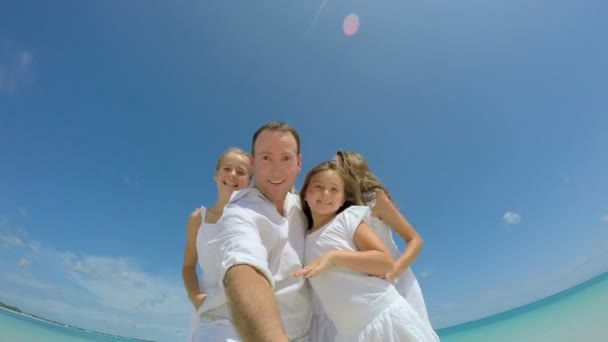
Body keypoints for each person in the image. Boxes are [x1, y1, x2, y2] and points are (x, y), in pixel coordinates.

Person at [293, 161, 439, 341]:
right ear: (305, 194)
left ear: (342, 199)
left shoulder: (347, 219)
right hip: (350, 333)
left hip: (383, 317)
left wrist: (333, 257)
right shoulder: (302, 235)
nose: (325, 194)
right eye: (318, 187)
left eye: (334, 189)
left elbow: (384, 262)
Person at [206, 121, 312, 341]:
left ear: (298, 163)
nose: (276, 169)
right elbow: (242, 270)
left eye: (286, 158)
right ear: (252, 163)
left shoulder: (305, 206)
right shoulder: (239, 212)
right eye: (266, 158)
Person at [334, 150, 432, 326]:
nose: (330, 169)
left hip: (398, 281)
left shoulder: (374, 199)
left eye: (336, 166)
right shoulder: (338, 209)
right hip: (368, 291)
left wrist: (392, 273)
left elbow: (415, 240)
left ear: (351, 169)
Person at [182, 148, 252, 341]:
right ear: (216, 175)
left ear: (249, 182)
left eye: (241, 172)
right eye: (227, 168)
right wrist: (196, 298)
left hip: (244, 317)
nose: (232, 175)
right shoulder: (198, 219)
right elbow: (188, 266)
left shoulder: (254, 220)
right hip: (208, 314)